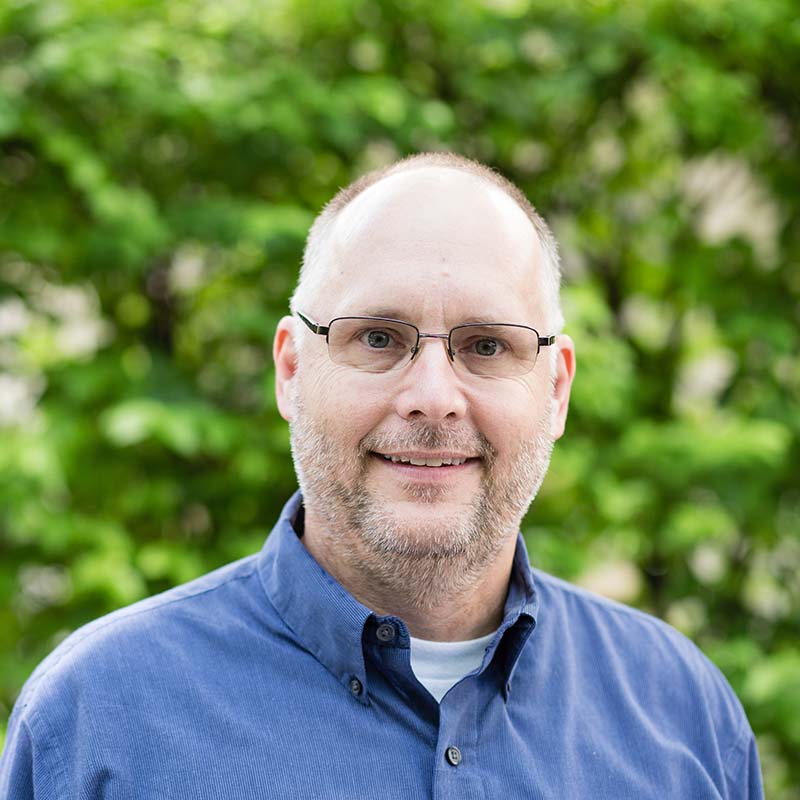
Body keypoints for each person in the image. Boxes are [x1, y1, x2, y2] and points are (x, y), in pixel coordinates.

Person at [0, 153, 762, 799]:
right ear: (291, 370)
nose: (433, 397)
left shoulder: (683, 715)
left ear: (557, 389)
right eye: (376, 338)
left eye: (487, 346)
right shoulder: (101, 716)